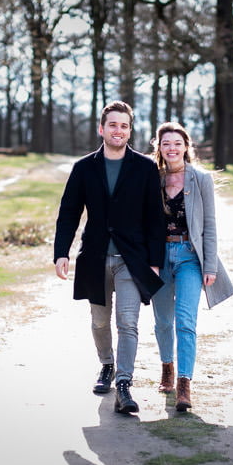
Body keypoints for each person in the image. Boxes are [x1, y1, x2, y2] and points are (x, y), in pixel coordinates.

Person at [54, 101, 166, 414]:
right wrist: (61, 252)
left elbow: (155, 218)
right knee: (100, 321)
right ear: (101, 129)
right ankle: (107, 364)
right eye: (113, 125)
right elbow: (68, 213)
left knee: (128, 322)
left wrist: (154, 261)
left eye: (124, 126)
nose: (119, 131)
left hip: (132, 260)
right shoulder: (84, 168)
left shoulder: (144, 168)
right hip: (95, 258)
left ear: (130, 131)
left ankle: (124, 383)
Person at [151, 122, 233, 412]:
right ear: (159, 148)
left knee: (185, 321)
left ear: (186, 146)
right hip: (159, 258)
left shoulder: (200, 179)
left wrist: (209, 264)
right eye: (166, 144)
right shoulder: (153, 178)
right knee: (162, 321)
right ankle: (167, 369)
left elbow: (209, 225)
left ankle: (185, 385)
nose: (172, 148)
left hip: (190, 257)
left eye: (177, 143)